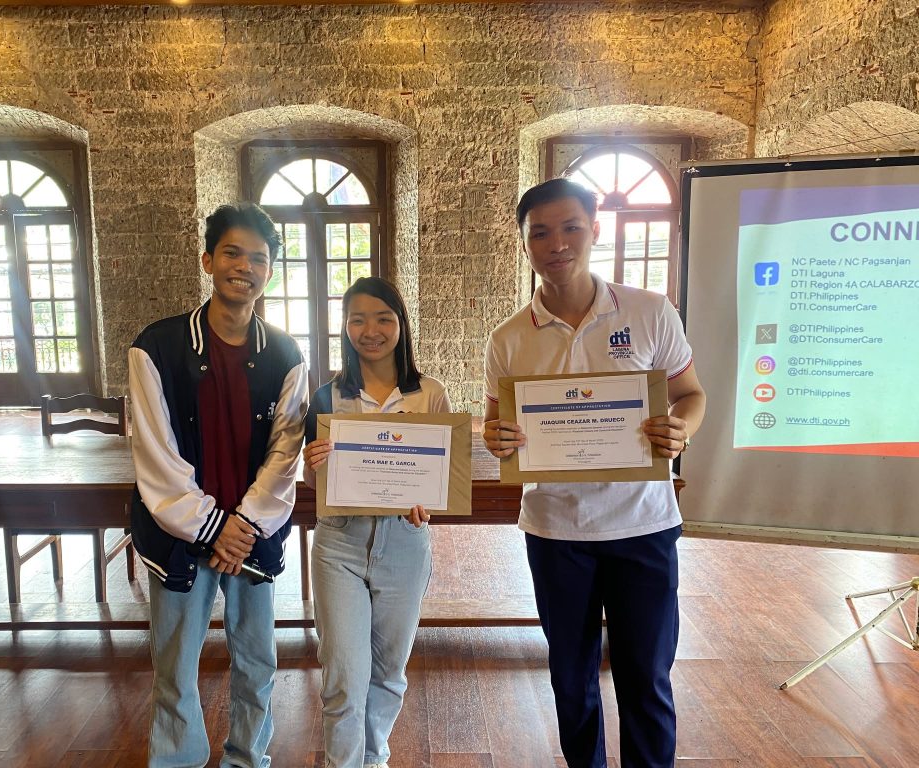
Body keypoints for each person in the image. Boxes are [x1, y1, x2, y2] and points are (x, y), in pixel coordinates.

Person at [482, 178, 706, 768]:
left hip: (644, 525)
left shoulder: (650, 311)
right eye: (540, 233)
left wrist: (681, 429)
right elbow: (494, 425)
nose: (556, 243)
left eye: (570, 227)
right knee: (571, 681)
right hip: (556, 532)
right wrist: (496, 436)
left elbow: (690, 394)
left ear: (595, 229)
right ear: (525, 244)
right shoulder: (507, 339)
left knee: (646, 678)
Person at [128, 203, 309, 768]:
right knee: (175, 665)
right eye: (232, 252)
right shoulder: (155, 347)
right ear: (208, 259)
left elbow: (286, 453)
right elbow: (155, 455)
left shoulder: (284, 352)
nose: (245, 266)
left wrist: (246, 526)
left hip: (253, 536)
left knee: (257, 661)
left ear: (270, 272)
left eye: (259, 258)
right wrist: (213, 529)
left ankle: (248, 759)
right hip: (181, 535)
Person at [301, 276, 451, 768]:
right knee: (344, 674)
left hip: (405, 544)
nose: (371, 330)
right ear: (344, 329)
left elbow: (443, 478)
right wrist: (312, 463)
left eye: (384, 317)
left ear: (401, 325)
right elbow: (310, 479)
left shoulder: (430, 394)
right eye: (358, 319)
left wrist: (429, 499)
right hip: (339, 545)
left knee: (388, 672)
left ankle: (374, 758)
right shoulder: (326, 398)